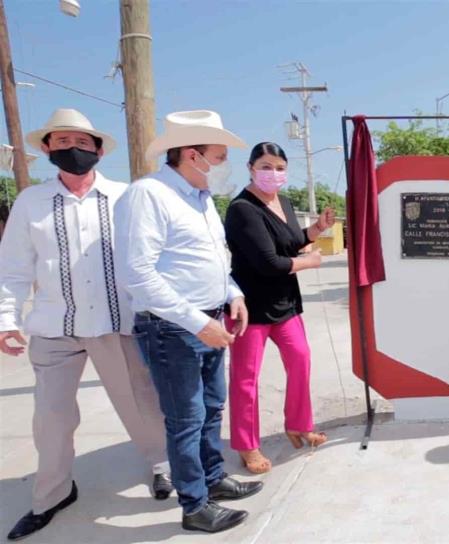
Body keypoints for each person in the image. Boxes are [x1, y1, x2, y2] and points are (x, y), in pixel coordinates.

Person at [0, 109, 171, 541]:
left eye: (81, 142)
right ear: (47, 149)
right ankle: (52, 494)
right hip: (55, 329)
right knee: (51, 419)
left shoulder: (125, 197)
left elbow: (152, 258)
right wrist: (5, 318)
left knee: (141, 404)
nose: (72, 150)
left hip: (117, 324)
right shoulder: (30, 203)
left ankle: (162, 467)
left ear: (97, 149)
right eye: (61, 142)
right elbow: (14, 270)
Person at [115, 110, 262, 534]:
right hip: (173, 329)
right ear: (193, 155)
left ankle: (213, 479)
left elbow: (213, 262)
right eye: (219, 157)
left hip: (210, 322)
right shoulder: (149, 195)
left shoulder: (199, 200)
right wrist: (196, 322)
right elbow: (137, 275)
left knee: (212, 408)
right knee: (185, 418)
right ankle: (194, 504)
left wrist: (232, 294)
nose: (223, 166)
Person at [223, 142, 335, 474]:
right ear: (251, 168)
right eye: (267, 166)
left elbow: (288, 241)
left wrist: (316, 230)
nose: (274, 173)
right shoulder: (242, 208)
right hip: (250, 306)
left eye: (280, 167)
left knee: (300, 359)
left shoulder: (282, 201)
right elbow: (269, 262)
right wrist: (310, 262)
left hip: (285, 303)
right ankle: (247, 445)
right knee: (246, 378)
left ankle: (300, 424)